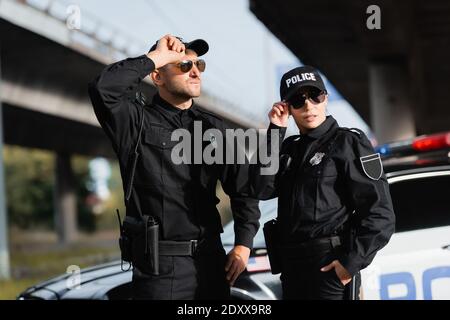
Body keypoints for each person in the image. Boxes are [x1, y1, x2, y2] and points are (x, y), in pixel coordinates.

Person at [88, 35, 260, 300]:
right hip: (159, 270)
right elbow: (103, 89)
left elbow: (243, 188)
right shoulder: (135, 123)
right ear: (157, 77)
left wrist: (243, 244)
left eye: (198, 65)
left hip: (212, 264)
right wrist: (155, 57)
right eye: (182, 65)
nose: (194, 71)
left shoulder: (215, 129)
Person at [250, 66, 396, 300]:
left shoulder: (349, 143)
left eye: (315, 96)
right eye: (298, 100)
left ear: (325, 98)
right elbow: (259, 188)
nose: (309, 106)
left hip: (329, 266)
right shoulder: (287, 149)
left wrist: (350, 263)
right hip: (291, 269)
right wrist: (275, 132)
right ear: (287, 108)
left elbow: (380, 214)